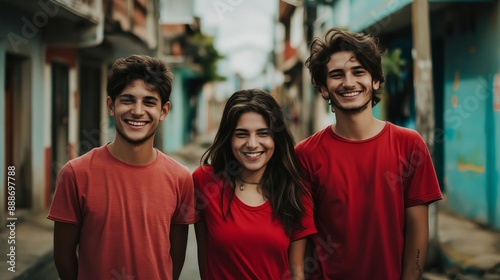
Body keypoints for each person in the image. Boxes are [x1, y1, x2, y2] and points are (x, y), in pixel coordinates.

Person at [296, 27, 443, 279]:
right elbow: (301, 239)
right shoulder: (305, 154)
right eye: (336, 75)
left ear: (375, 80)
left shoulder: (409, 144)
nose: (349, 82)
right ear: (323, 88)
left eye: (358, 72)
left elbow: (417, 233)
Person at [47, 54, 197, 280]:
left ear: (164, 111)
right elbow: (63, 256)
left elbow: (174, 259)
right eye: (127, 100)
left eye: (149, 102)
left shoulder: (180, 178)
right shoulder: (75, 173)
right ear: (111, 105)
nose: (137, 111)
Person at [193, 89, 317, 279]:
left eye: (263, 133)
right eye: (241, 134)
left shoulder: (295, 191)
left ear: (276, 137)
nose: (252, 144)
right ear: (229, 138)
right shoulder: (205, 182)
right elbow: (205, 259)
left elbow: (296, 273)